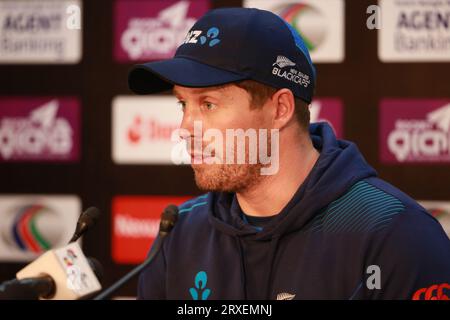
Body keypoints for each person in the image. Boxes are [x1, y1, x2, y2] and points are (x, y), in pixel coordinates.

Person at [128, 7, 450, 300]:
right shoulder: (179, 235)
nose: (186, 127)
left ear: (280, 109)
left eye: (208, 105)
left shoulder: (397, 236)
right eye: (182, 104)